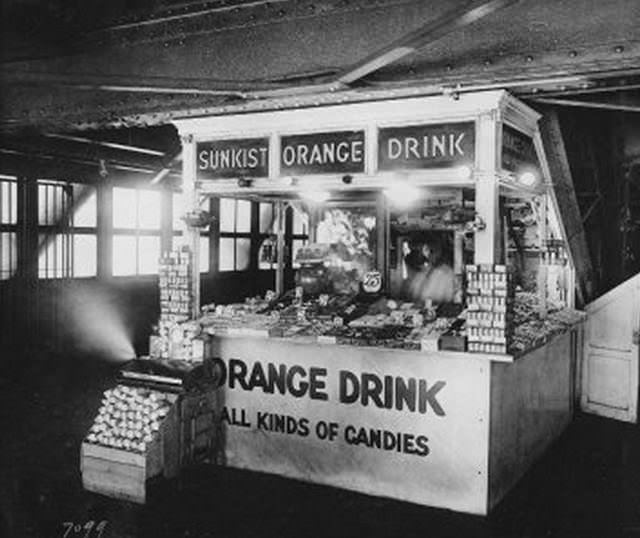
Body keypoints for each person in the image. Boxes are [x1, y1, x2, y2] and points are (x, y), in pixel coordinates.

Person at [404, 237, 454, 304]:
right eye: (427, 251)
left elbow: (449, 301)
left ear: (440, 252)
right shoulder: (423, 272)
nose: (429, 255)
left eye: (433, 251)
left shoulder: (448, 274)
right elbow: (413, 295)